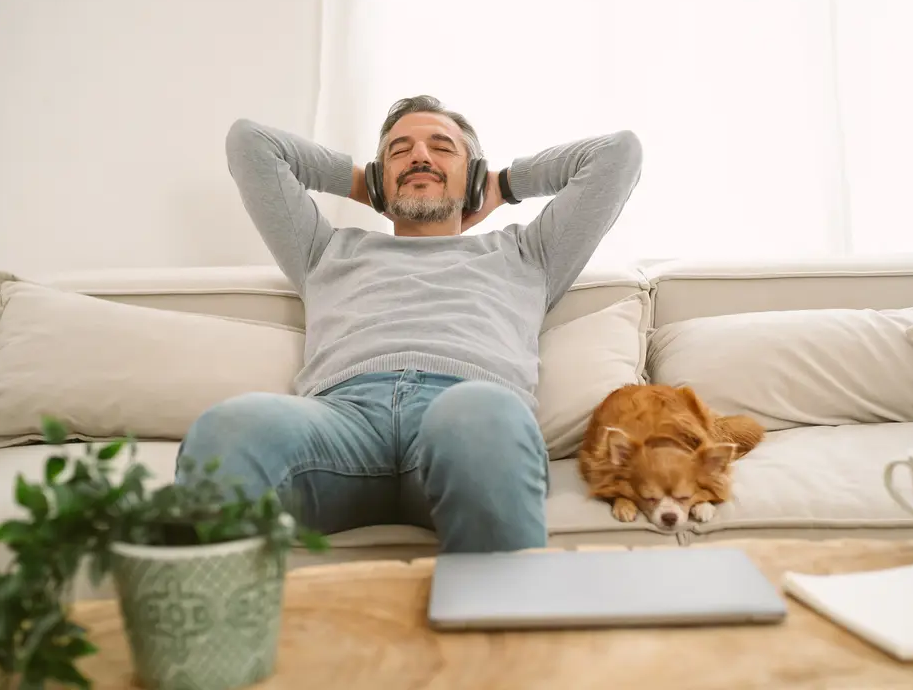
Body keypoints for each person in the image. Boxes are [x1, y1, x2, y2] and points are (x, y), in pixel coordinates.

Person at [177, 95, 642, 553]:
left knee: (478, 413)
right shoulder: (323, 251)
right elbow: (250, 142)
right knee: (228, 429)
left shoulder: (528, 254)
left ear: (474, 173)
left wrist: (503, 184)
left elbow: (618, 154)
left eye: (442, 148)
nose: (419, 155)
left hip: (467, 418)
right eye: (399, 151)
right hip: (342, 424)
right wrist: (363, 183)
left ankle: (501, 622)